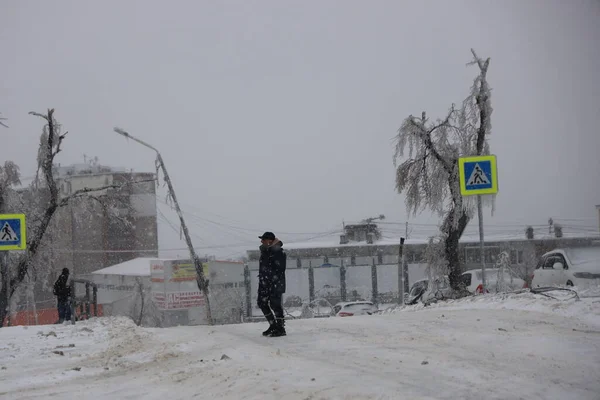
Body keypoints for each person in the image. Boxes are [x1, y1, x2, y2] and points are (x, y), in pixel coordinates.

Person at [257, 232, 287, 337]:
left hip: (275, 283)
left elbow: (280, 269)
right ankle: (273, 325)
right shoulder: (265, 251)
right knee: (261, 302)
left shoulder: (278, 252)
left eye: (263, 239)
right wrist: (263, 279)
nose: (261, 241)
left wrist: (271, 278)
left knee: (275, 305)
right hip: (264, 282)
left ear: (270, 240)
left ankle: (280, 328)